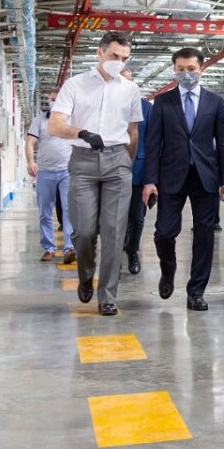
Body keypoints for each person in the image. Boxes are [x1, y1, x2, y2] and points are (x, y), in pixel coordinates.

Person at [48, 32, 142, 317]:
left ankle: (108, 296)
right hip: (83, 162)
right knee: (84, 231)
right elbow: (54, 125)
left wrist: (125, 163)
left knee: (114, 233)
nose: (119, 62)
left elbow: (133, 131)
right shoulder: (75, 85)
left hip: (117, 162)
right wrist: (81, 133)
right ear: (100, 53)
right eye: (114, 56)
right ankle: (86, 273)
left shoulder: (131, 89)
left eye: (124, 58)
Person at [142, 48, 224, 311]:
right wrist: (150, 181)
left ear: (201, 69)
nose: (186, 74)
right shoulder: (163, 102)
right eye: (181, 69)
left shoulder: (214, 102)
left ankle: (196, 291)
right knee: (164, 232)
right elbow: (153, 144)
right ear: (174, 70)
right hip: (171, 175)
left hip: (206, 177)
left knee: (204, 234)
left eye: (191, 69)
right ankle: (168, 269)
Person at [26, 92, 75, 264]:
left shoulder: (72, 120)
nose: (55, 102)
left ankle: (69, 248)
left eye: (58, 99)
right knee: (44, 211)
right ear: (48, 100)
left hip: (67, 172)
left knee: (69, 211)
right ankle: (49, 248)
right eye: (52, 99)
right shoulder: (39, 120)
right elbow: (30, 142)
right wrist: (30, 161)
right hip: (45, 172)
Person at [120, 68, 152, 275]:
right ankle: (115, 258)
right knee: (114, 218)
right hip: (110, 169)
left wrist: (152, 177)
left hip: (138, 170)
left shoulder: (146, 107)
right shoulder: (105, 103)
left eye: (129, 80)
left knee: (137, 216)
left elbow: (153, 141)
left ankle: (132, 251)